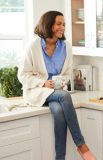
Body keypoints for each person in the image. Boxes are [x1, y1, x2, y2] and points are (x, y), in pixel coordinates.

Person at [18, 11, 96, 160]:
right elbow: (22, 75)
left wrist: (61, 81)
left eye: (64, 24)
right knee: (65, 96)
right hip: (38, 91)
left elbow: (67, 72)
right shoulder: (33, 46)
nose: (63, 27)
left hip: (56, 92)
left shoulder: (66, 46)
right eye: (59, 24)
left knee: (59, 112)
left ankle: (60, 158)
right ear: (49, 25)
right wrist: (43, 82)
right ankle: (81, 145)